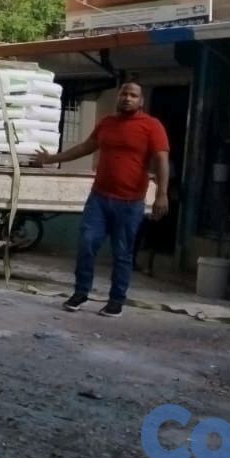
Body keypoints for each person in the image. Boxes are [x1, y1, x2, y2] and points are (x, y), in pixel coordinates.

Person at [35, 81, 170, 317]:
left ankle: (116, 300)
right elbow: (85, 147)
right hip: (99, 198)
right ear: (118, 97)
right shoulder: (107, 123)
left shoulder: (151, 126)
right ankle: (80, 293)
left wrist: (162, 193)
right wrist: (52, 159)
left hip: (130, 202)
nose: (127, 98)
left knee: (122, 253)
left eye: (133, 95)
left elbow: (161, 160)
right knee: (87, 243)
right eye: (124, 94)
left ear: (141, 101)